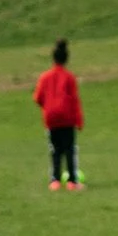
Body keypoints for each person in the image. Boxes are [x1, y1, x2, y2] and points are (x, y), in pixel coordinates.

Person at [35, 40, 84, 191]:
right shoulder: (69, 77)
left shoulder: (44, 77)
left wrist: (48, 107)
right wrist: (79, 120)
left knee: (55, 151)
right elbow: (74, 100)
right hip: (67, 119)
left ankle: (54, 181)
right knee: (69, 150)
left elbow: (37, 98)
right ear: (66, 59)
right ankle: (72, 182)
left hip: (51, 119)